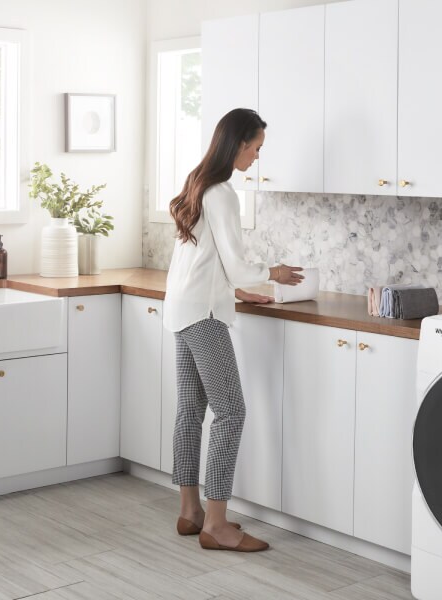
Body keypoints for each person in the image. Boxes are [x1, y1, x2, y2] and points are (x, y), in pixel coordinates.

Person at [164, 108, 303, 552]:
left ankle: (191, 511)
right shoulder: (223, 193)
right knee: (230, 411)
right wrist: (274, 272)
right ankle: (218, 525)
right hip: (203, 314)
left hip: (182, 307)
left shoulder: (197, 181)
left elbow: (203, 259)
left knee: (190, 411)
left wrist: (238, 293)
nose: (257, 157)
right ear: (239, 143)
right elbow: (239, 264)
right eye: (256, 148)